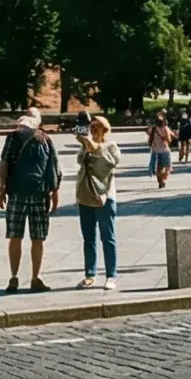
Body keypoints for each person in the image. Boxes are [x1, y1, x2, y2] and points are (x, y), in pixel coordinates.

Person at [0, 113, 60, 293]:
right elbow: (54, 166)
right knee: (38, 237)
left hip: (16, 194)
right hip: (39, 194)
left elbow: (4, 164)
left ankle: (14, 277)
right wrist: (55, 191)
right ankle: (36, 277)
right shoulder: (45, 139)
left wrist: (2, 189)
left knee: (15, 236)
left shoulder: (12, 138)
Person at [73, 115, 120, 290]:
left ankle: (111, 276)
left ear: (104, 129)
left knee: (108, 237)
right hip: (85, 196)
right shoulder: (85, 145)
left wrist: (92, 146)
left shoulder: (111, 146)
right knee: (88, 238)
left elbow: (107, 164)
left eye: (95, 127)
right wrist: (84, 143)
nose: (92, 130)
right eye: (90, 127)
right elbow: (79, 160)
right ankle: (90, 274)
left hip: (105, 197)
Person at [148, 115, 173, 190]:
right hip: (165, 151)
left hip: (155, 151)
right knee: (167, 168)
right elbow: (169, 140)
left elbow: (150, 140)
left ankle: (160, 181)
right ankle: (163, 180)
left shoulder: (154, 129)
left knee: (158, 169)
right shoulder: (166, 129)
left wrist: (152, 145)